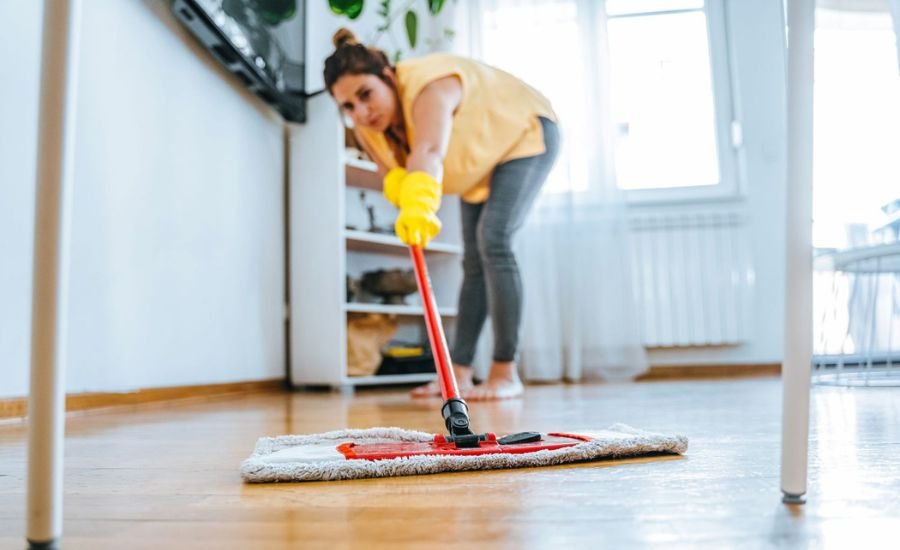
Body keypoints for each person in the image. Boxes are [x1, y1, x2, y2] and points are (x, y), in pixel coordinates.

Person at [324, 29, 559, 400]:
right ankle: (458, 375)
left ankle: (505, 372)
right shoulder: (369, 130)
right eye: (348, 106)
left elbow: (430, 150)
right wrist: (406, 200)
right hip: (478, 162)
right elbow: (393, 176)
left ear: (388, 76)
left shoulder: (428, 85)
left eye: (365, 94)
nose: (360, 112)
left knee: (494, 241)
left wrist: (419, 207)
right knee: (473, 262)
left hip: (522, 132)